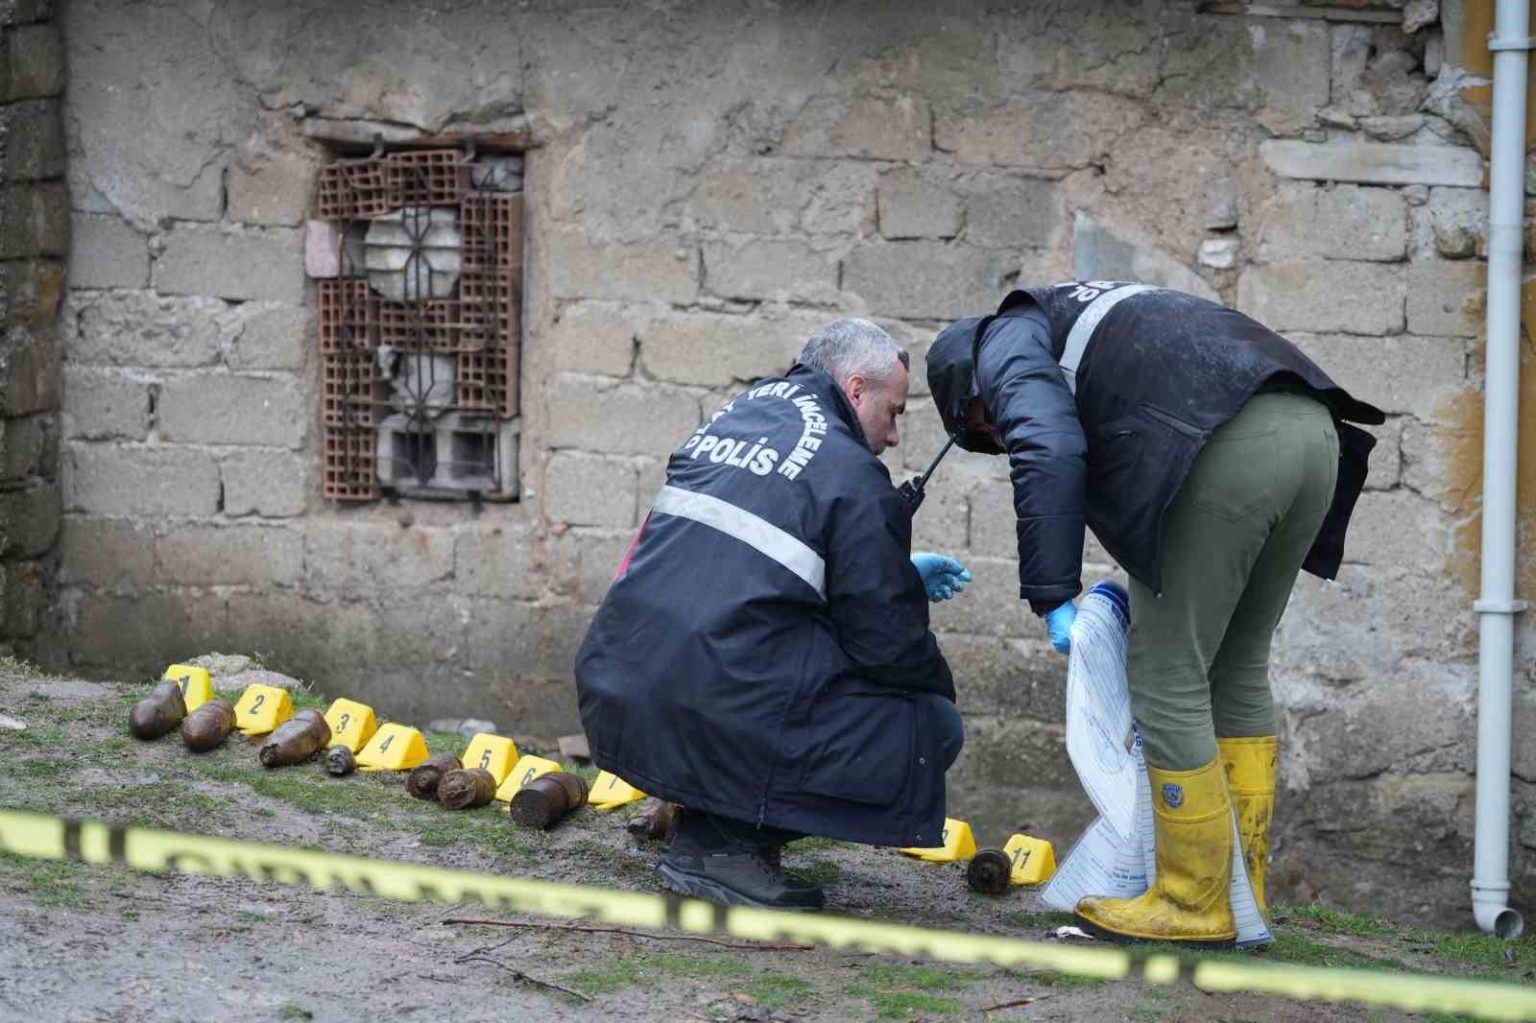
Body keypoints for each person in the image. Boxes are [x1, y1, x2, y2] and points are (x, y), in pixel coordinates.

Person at [926, 282, 1384, 945]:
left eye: (985, 429)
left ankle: (1192, 899)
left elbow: (1047, 445)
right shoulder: (1082, 312)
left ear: (968, 391)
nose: (997, 436)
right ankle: (1242, 893)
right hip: (1314, 436)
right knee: (1237, 669)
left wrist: (1051, 594)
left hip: (1223, 445)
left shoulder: (1002, 340)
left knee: (1167, 675)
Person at [576, 317, 972, 910]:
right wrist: (935, 685)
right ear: (856, 390)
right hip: (697, 705)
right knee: (930, 726)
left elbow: (743, 568)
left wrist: (894, 571)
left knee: (776, 663)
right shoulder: (851, 471)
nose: (893, 437)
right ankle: (723, 845)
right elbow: (886, 643)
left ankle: (701, 811)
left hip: (617, 687)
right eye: (893, 413)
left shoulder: (738, 418)